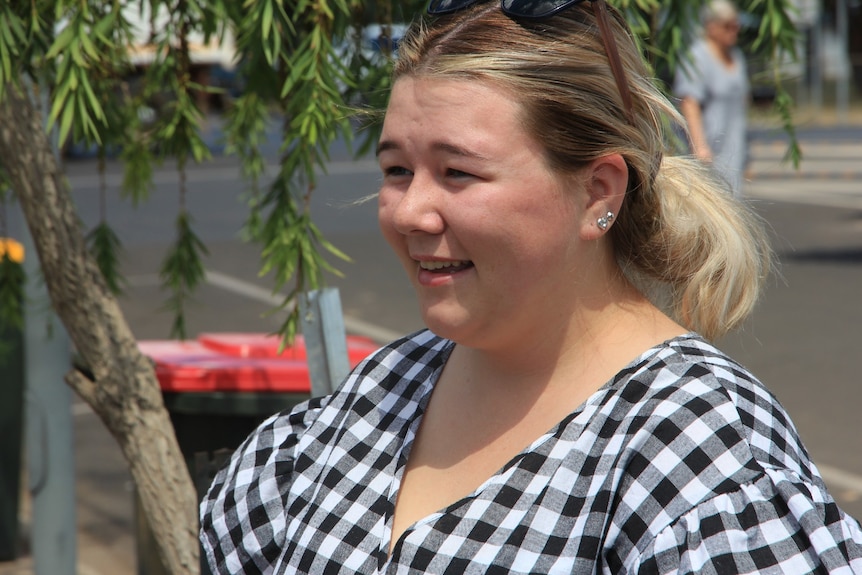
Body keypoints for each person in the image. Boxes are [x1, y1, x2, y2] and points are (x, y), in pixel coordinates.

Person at [200, 0, 862, 573]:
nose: (409, 211)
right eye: (398, 169)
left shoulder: (694, 448)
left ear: (596, 192)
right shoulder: (380, 391)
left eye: (458, 172)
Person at [674, 0, 749, 197]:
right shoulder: (697, 56)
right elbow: (689, 102)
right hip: (708, 153)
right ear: (711, 26)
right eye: (728, 25)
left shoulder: (737, 56)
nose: (734, 30)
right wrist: (699, 147)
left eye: (736, 25)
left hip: (733, 150)